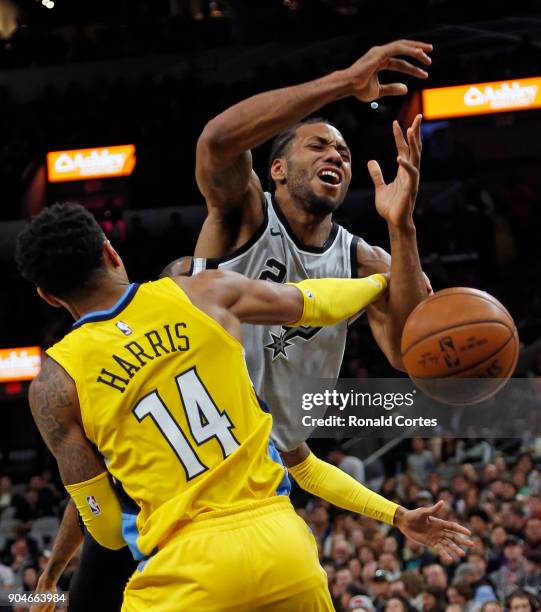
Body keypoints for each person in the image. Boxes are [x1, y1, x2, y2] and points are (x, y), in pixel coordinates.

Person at [33, 38, 473, 609]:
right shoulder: (244, 215)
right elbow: (217, 140)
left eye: (343, 150)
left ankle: (45, 587)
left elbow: (411, 350)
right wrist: (344, 80)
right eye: (318, 145)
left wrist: (403, 227)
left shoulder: (364, 260)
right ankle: (45, 585)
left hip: (240, 491)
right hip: (187, 496)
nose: (335, 155)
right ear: (277, 167)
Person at [17, 202, 396, 610]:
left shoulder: (55, 383)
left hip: (184, 576)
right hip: (284, 550)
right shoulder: (202, 290)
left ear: (48, 296)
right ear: (111, 253)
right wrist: (380, 283)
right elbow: (314, 301)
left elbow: (107, 531)